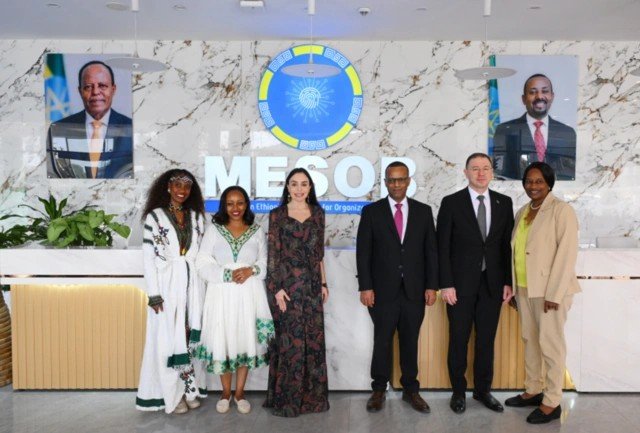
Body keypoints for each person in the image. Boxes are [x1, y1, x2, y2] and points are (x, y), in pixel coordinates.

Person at [356, 161, 438, 414]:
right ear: (385, 182)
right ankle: (379, 389)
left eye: (401, 179)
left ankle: (411, 389)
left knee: (410, 341)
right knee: (382, 340)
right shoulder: (372, 212)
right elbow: (363, 252)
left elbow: (431, 252)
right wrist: (366, 287)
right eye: (392, 180)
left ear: (408, 181)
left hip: (414, 290)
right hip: (382, 291)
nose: (396, 184)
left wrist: (431, 286)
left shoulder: (423, 212)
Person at [437, 153, 514, 414]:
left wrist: (508, 281)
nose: (481, 173)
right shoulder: (451, 202)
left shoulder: (504, 202)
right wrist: (446, 284)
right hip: (459, 286)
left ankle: (483, 391)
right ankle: (458, 392)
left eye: (486, 168)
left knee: (486, 341)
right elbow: (442, 246)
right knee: (458, 339)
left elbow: (506, 246)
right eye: (475, 168)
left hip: (493, 285)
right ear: (466, 172)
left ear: (492, 172)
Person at [504, 161, 580, 424]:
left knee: (550, 344)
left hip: (550, 292)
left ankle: (552, 401)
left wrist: (554, 294)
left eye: (538, 181)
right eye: (529, 181)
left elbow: (566, 254)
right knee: (530, 341)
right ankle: (533, 389)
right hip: (525, 289)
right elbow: (518, 252)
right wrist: (515, 289)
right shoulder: (523, 211)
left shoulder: (562, 210)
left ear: (549, 184)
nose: (533, 186)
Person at [195, 186, 274, 415]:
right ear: (224, 206)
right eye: (230, 203)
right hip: (222, 295)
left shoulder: (257, 231)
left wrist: (251, 270)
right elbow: (202, 262)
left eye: (240, 202)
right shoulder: (214, 230)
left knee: (243, 339)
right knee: (224, 340)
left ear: (246, 204)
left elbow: (266, 262)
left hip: (248, 294)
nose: (235, 208)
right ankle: (225, 393)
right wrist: (226, 274)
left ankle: (239, 394)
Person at [136, 169, 207, 414]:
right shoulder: (155, 217)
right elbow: (148, 258)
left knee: (187, 338)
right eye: (177, 185)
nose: (182, 191)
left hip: (193, 286)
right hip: (167, 287)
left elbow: (203, 255)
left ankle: (189, 390)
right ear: (168, 187)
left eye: (187, 187)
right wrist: (154, 294)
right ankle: (171, 395)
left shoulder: (197, 217)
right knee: (167, 340)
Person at [264, 168, 329, 417]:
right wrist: (276, 289)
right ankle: (288, 402)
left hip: (312, 288)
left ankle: (311, 400)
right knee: (290, 344)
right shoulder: (277, 215)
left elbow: (318, 254)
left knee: (312, 342)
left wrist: (324, 284)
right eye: (294, 184)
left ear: (310, 187)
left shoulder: (318, 214)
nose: (299, 189)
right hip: (287, 288)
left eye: (304, 184)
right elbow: (273, 255)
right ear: (287, 188)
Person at [47, 60, 133, 179]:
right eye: (88, 87)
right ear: (80, 91)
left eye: (102, 86)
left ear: (113, 89)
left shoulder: (130, 128)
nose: (96, 92)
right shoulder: (59, 129)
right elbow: (51, 174)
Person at [493, 74, 576, 181]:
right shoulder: (504, 130)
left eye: (545, 91)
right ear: (524, 99)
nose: (539, 96)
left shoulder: (568, 133)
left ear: (552, 96)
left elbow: (571, 172)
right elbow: (500, 174)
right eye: (532, 92)